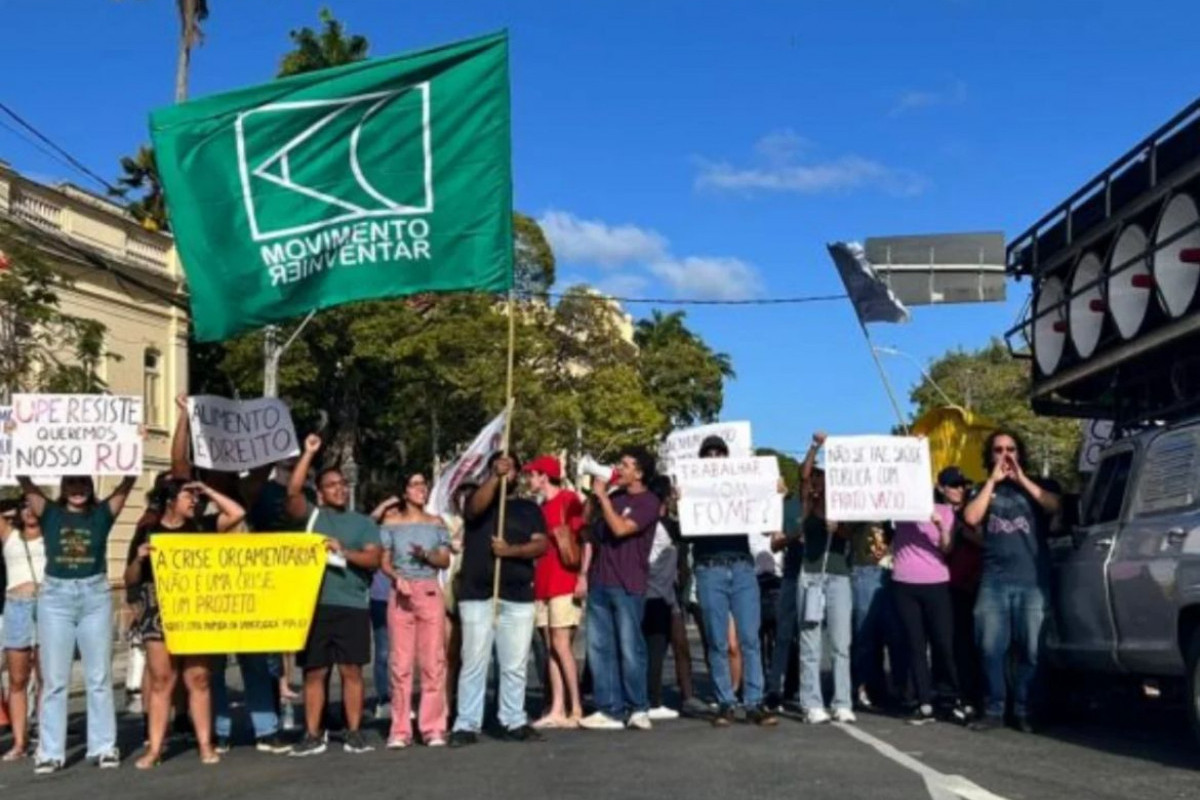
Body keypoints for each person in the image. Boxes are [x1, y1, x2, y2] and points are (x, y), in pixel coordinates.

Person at [19, 472, 136, 775]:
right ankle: (50, 752)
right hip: (55, 598)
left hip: (94, 596)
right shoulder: (50, 513)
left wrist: (132, 460)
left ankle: (104, 746)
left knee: (99, 676)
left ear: (91, 486)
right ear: (63, 487)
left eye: (83, 483)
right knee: (55, 680)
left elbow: (126, 485)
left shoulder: (101, 515)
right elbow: (26, 482)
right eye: (71, 483)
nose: (78, 489)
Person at [126, 479, 246, 768]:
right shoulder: (148, 530)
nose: (194, 500)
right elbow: (130, 578)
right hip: (158, 607)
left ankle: (205, 744)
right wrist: (139, 560)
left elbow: (237, 513)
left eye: (196, 496)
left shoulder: (202, 527)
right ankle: (155, 748)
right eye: (187, 495)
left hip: (195, 609)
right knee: (162, 680)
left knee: (198, 677)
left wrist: (209, 490)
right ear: (170, 500)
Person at [286, 434, 383, 757]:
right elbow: (293, 492)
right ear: (320, 492)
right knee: (315, 671)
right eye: (331, 485)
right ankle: (313, 734)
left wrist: (345, 552)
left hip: (352, 605)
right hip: (315, 606)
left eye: (342, 484)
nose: (339, 489)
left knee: (351, 670)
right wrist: (308, 453)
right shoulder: (313, 517)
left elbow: (374, 558)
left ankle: (353, 732)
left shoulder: (363, 523)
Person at [963, 430, 1060, 733]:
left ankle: (1024, 709)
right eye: (998, 449)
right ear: (989, 455)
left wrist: (1022, 479)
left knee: (1032, 649)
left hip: (1032, 580)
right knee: (990, 647)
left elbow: (1053, 506)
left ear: (1020, 453)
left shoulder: (1039, 485)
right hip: (994, 581)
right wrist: (992, 482)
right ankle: (993, 709)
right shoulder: (982, 488)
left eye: (1011, 449)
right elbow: (971, 518)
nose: (1005, 454)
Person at [449, 453, 547, 747]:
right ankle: (467, 723)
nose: (506, 472)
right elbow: (473, 509)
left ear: (518, 474)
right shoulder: (477, 502)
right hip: (478, 594)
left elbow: (541, 544)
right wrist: (495, 477)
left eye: (510, 468)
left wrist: (511, 551)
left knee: (514, 664)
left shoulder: (528, 508)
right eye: (498, 467)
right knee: (474, 662)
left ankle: (513, 718)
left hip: (517, 595)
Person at [682, 436, 778, 728]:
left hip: (741, 566)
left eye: (719, 453)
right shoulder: (692, 490)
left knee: (750, 637)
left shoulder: (742, 486)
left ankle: (754, 701)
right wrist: (680, 501)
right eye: (709, 453)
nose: (714, 457)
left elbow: (767, 525)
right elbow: (686, 533)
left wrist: (774, 495)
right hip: (709, 567)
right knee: (717, 639)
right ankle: (725, 701)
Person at [579, 446, 661, 732]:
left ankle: (638, 707)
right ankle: (609, 708)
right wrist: (596, 496)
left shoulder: (649, 502)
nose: (619, 468)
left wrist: (603, 497)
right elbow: (588, 526)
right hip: (601, 580)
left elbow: (622, 529)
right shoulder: (614, 497)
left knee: (629, 648)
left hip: (628, 583)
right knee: (600, 648)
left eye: (625, 465)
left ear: (639, 473)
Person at [373, 474, 452, 749]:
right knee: (400, 664)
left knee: (433, 662)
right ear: (405, 492)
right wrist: (397, 577)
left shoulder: (436, 523)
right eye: (415, 485)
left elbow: (445, 560)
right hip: (401, 594)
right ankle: (400, 729)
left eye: (424, 484)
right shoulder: (392, 524)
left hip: (429, 590)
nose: (421, 489)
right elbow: (383, 561)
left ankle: (432, 727)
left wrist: (426, 556)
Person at [523, 456, 586, 730]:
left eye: (532, 475)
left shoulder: (568, 500)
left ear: (544, 476)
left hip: (563, 580)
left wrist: (582, 575)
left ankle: (576, 706)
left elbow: (583, 538)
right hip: (543, 582)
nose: (529, 480)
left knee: (562, 644)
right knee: (550, 646)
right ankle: (557, 706)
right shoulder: (540, 507)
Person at [892, 502, 966, 726]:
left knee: (943, 642)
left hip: (936, 582)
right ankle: (924, 702)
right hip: (904, 582)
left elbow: (947, 548)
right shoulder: (900, 506)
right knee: (916, 645)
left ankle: (950, 698)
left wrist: (941, 526)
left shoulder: (944, 511)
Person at [797, 432, 854, 724]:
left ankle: (842, 702)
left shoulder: (846, 507)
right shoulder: (808, 504)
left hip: (839, 576)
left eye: (825, 478)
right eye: (818, 478)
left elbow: (850, 535)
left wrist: (838, 526)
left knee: (840, 644)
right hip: (811, 576)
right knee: (810, 644)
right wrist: (815, 447)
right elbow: (804, 475)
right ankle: (812, 703)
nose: (820, 482)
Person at [939, 466, 983, 717]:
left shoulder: (973, 512)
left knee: (975, 643)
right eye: (954, 485)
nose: (960, 490)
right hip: (947, 584)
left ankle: (973, 695)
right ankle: (952, 693)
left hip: (975, 583)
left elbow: (985, 541)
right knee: (953, 643)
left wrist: (963, 530)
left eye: (963, 485)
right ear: (942, 489)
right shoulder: (936, 512)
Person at [3, 499, 45, 761]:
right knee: (17, 679)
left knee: (45, 678)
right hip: (16, 606)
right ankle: (20, 742)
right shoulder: (10, 535)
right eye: (24, 506)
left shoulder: (52, 535)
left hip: (47, 606)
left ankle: (45, 737)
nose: (29, 511)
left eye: (33, 505)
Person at [643, 474, 682, 721]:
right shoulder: (665, 526)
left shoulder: (644, 524)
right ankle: (653, 700)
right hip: (658, 596)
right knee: (656, 651)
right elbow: (686, 531)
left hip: (645, 593)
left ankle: (643, 698)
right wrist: (683, 503)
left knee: (644, 650)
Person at [849, 521, 898, 711]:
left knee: (891, 634)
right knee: (865, 633)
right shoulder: (862, 511)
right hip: (866, 569)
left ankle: (884, 687)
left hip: (894, 569)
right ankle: (862, 687)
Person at [766, 488, 803, 711]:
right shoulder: (788, 508)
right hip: (791, 576)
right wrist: (794, 536)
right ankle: (775, 689)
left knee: (810, 637)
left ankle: (804, 689)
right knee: (783, 635)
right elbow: (774, 544)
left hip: (821, 577)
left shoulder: (830, 505)